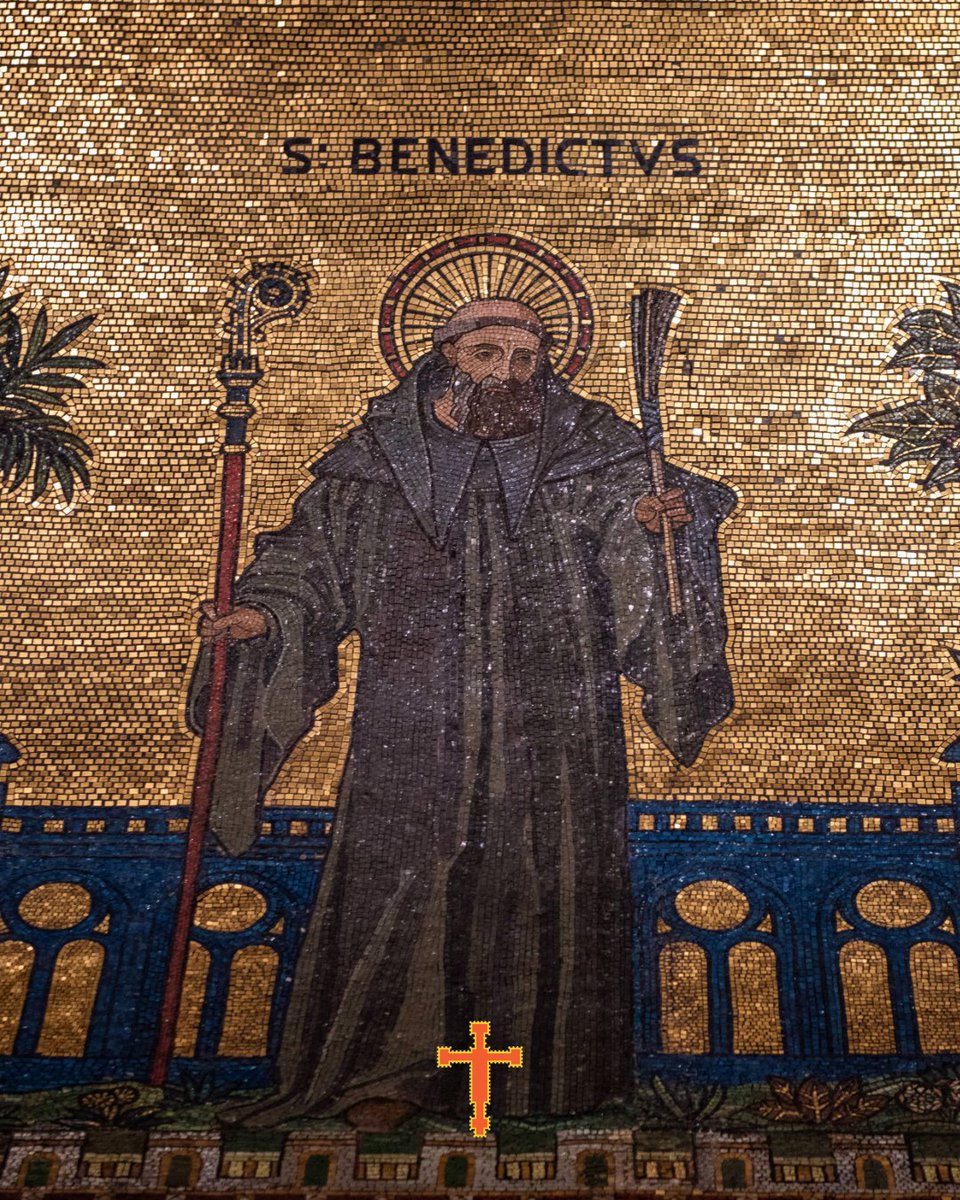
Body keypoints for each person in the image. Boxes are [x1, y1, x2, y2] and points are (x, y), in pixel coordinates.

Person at [187, 297, 735, 1131]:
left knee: (545, 869)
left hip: (557, 717)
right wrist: (265, 617)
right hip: (411, 710)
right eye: (489, 353)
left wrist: (667, 527)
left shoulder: (594, 450)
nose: (508, 373)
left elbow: (659, 525)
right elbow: (308, 559)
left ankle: (543, 1077)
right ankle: (385, 1072)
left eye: (526, 358)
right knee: (404, 868)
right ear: (444, 354)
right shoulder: (376, 459)